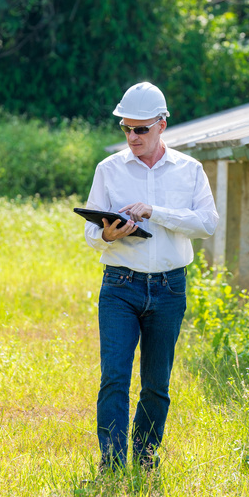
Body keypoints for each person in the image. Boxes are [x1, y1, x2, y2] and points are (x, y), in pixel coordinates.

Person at [83, 81, 218, 472]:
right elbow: (92, 233)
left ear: (162, 125)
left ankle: (144, 458)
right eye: (126, 128)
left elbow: (207, 224)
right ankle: (112, 462)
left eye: (141, 129)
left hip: (169, 287)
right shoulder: (108, 170)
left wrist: (155, 212)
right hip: (120, 287)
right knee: (114, 378)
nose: (132, 136)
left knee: (156, 385)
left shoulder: (189, 170)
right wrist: (107, 233)